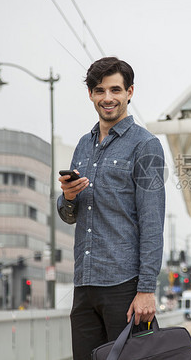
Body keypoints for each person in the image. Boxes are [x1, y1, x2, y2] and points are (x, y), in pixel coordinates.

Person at [57, 57, 165, 360]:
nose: (108, 98)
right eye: (100, 90)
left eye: (115, 90)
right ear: (91, 94)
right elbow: (69, 215)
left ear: (129, 92)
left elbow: (152, 222)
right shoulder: (82, 145)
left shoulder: (146, 145)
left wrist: (146, 289)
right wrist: (66, 196)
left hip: (124, 286)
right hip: (84, 284)